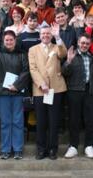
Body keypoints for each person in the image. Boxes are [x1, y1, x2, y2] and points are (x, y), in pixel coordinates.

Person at [0, 30, 30, 160]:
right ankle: (5, 149)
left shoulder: (22, 54)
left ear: (15, 41)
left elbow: (26, 71)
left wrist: (17, 85)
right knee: (5, 122)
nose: (9, 42)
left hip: (17, 92)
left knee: (18, 121)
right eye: (7, 40)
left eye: (11, 40)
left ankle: (17, 149)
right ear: (3, 41)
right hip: (2, 93)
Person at [28, 24, 67, 160]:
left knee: (54, 121)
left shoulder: (57, 47)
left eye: (48, 34)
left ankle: (52, 149)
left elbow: (64, 54)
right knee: (41, 121)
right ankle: (41, 149)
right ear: (39, 36)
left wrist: (58, 37)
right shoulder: (33, 49)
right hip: (40, 90)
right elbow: (33, 69)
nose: (45, 35)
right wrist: (41, 83)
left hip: (56, 89)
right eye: (43, 34)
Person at [62, 34, 93, 159]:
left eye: (87, 43)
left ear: (89, 45)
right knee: (74, 120)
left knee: (91, 120)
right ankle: (73, 146)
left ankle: (89, 146)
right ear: (78, 42)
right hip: (75, 91)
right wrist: (68, 61)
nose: (84, 45)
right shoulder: (72, 56)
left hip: (90, 91)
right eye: (82, 43)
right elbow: (64, 73)